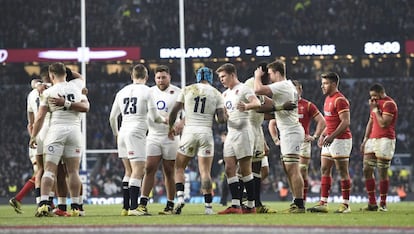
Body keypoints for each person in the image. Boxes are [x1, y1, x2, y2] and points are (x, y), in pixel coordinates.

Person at [29, 62, 90, 217]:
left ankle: (43, 204)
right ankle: (76, 207)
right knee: (73, 171)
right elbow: (86, 107)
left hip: (56, 131)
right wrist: (69, 103)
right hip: (75, 131)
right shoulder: (77, 88)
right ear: (67, 73)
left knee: (49, 170)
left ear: (51, 75)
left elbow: (40, 117)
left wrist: (33, 136)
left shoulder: (49, 91)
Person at [109, 64, 167, 216]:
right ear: (147, 77)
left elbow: (112, 117)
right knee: (138, 170)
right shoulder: (148, 91)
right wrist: (164, 120)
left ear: (132, 76)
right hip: (136, 132)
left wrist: (116, 134)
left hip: (123, 132)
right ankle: (135, 208)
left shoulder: (121, 92)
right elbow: (154, 117)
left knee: (128, 171)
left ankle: (126, 207)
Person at [168, 66, 226, 215]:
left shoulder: (187, 89)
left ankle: (180, 198)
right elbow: (221, 120)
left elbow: (174, 111)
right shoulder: (217, 93)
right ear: (210, 77)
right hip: (206, 132)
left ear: (198, 76)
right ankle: (208, 207)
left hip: (189, 131)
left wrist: (171, 127)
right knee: (205, 172)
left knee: (179, 167)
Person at [254, 60, 305, 213]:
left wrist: (257, 76)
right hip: (288, 131)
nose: (269, 77)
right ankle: (296, 201)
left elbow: (258, 90)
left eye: (270, 74)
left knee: (293, 169)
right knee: (288, 169)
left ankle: (300, 204)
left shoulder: (282, 85)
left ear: (276, 72)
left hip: (291, 131)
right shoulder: (287, 86)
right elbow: (272, 107)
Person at [137, 65, 183, 215]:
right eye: (158, 77)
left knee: (169, 171)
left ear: (169, 77)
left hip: (171, 137)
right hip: (154, 135)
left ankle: (169, 205)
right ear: (154, 78)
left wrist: (181, 124)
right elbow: (144, 113)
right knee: (149, 167)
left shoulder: (178, 92)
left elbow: (188, 113)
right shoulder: (149, 92)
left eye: (163, 77)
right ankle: (143, 203)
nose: (161, 80)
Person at [216, 63, 261, 215]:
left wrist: (247, 107)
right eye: (220, 77)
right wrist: (222, 117)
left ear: (232, 75)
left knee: (245, 169)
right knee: (229, 168)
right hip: (231, 133)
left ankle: (251, 205)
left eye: (223, 76)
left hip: (244, 131)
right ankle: (235, 205)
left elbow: (257, 102)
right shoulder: (224, 94)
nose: (221, 79)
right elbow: (221, 117)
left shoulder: (243, 89)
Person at [307, 72, 352, 214]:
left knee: (342, 171)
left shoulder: (340, 100)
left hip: (341, 139)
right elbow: (330, 123)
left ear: (333, 84)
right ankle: (323, 203)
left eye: (325, 83)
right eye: (322, 83)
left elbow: (346, 122)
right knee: (325, 169)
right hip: (330, 138)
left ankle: (345, 204)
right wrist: (322, 134)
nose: (322, 85)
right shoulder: (327, 99)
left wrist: (331, 136)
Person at [360, 83, 398, 212]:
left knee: (382, 172)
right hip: (372, 139)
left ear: (381, 93)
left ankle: (383, 203)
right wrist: (365, 139)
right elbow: (370, 122)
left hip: (385, 140)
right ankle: (372, 203)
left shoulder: (389, 104)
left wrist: (376, 110)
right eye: (371, 96)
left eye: (375, 96)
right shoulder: (375, 105)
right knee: (366, 169)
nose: (372, 99)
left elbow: (383, 124)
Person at [9, 78, 44, 214]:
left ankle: (41, 204)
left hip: (34, 140)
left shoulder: (31, 95)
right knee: (42, 173)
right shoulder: (48, 91)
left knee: (39, 174)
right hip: (42, 139)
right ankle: (38, 203)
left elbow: (29, 124)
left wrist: (32, 137)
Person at [292, 80, 325, 203]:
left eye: (294, 89)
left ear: (300, 90)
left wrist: (315, 136)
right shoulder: (285, 105)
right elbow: (273, 122)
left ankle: (302, 200)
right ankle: (295, 198)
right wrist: (276, 139)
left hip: (303, 142)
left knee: (301, 170)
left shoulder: (308, 105)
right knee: (291, 172)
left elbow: (322, 121)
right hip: (289, 142)